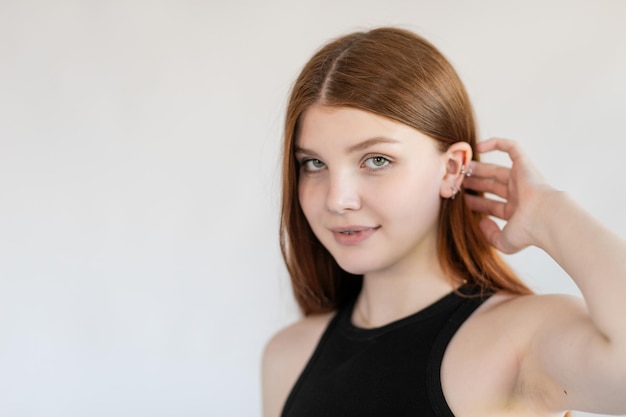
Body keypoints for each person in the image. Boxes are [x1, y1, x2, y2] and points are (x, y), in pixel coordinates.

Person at [262, 27, 626, 417]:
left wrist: (551, 214)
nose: (337, 199)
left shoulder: (519, 341)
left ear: (452, 169)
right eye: (314, 164)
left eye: (377, 160)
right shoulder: (288, 357)